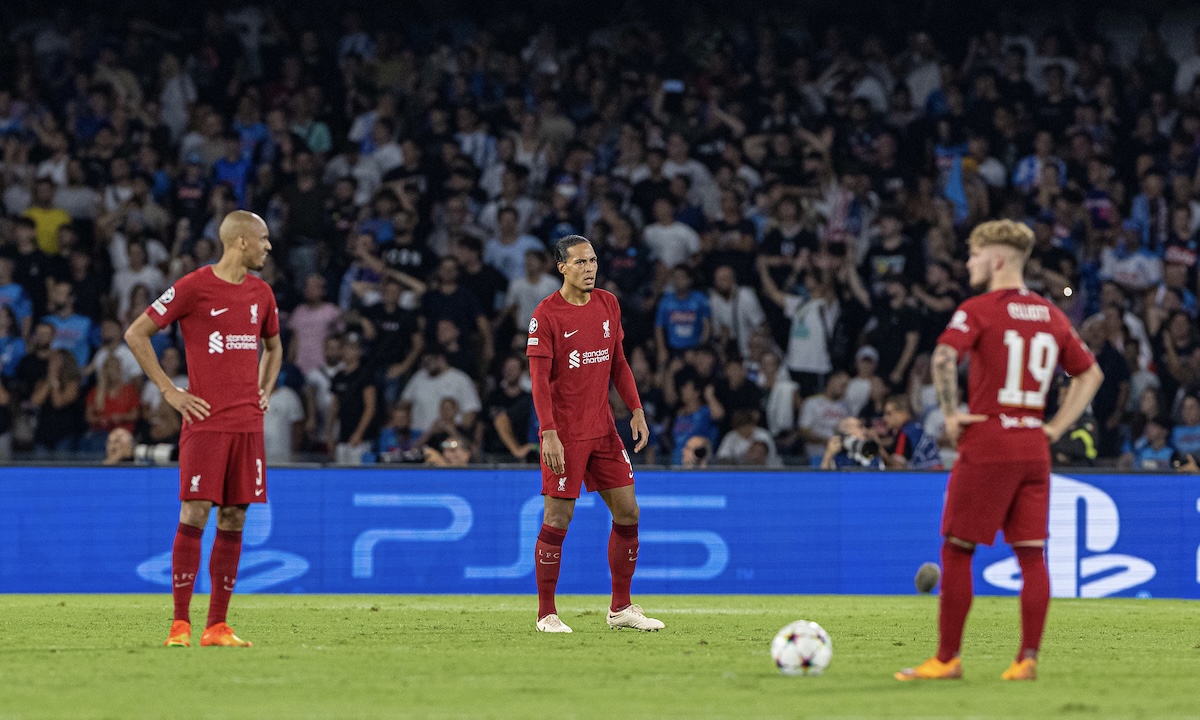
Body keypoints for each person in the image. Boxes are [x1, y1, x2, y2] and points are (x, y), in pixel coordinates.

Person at [896, 220, 1103, 682]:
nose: (968, 263)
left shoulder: (979, 309)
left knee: (957, 550)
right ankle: (1026, 658)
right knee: (1032, 556)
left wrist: (951, 414)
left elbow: (944, 356)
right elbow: (1091, 375)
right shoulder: (1052, 315)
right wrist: (1053, 427)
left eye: (973, 254)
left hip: (989, 439)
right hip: (1033, 445)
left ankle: (946, 659)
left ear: (996, 259)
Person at [124, 210, 282, 649]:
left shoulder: (262, 294)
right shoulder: (194, 287)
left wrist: (264, 389)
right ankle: (179, 624)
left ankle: (217, 626)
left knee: (235, 516)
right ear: (242, 242)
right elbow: (137, 333)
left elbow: (274, 347)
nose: (269, 246)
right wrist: (169, 391)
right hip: (205, 422)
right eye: (264, 238)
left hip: (247, 425)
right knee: (195, 511)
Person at [525, 234, 663, 634]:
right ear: (561, 268)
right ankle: (546, 614)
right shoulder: (546, 315)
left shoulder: (608, 304)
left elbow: (618, 361)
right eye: (580, 263)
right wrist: (548, 433)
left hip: (604, 430)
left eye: (593, 261)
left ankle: (621, 608)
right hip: (565, 434)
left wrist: (635, 410)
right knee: (558, 517)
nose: (589, 269)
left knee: (628, 512)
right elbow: (538, 380)